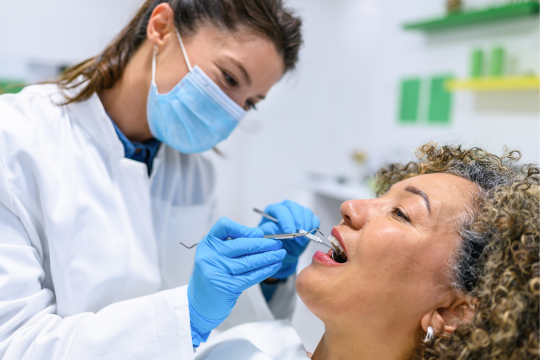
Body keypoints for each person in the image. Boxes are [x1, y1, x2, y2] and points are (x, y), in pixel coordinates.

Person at [0, 1, 320, 358]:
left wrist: (269, 279)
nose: (232, 111)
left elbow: (211, 327)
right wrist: (187, 317)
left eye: (250, 103)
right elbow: (14, 343)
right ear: (162, 27)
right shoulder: (14, 140)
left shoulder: (193, 171)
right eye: (229, 78)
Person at [192, 143, 539, 360]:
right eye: (381, 195)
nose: (350, 207)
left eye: (402, 213)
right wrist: (192, 322)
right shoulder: (245, 347)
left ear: (454, 314)